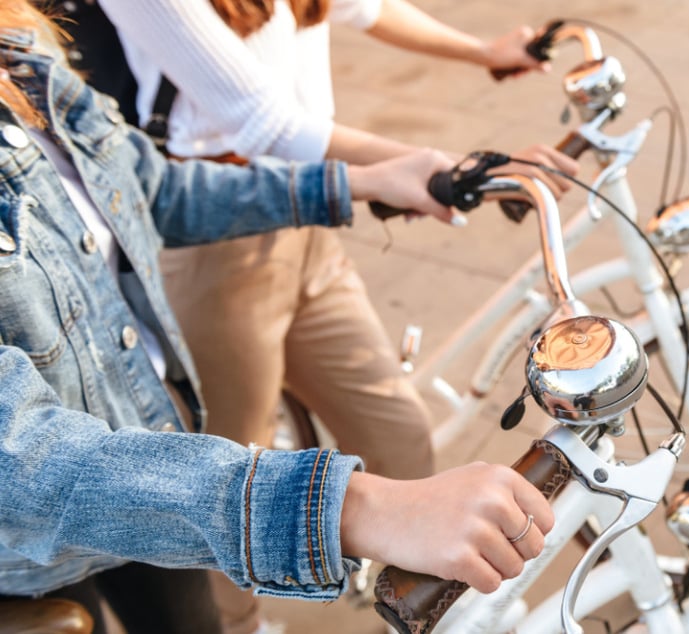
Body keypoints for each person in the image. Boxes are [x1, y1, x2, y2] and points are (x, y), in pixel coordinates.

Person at [0, 3, 554, 633]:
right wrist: (354, 508)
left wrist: (353, 183)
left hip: (142, 438)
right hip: (44, 533)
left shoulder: (20, 52)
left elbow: (150, 187)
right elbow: (22, 465)